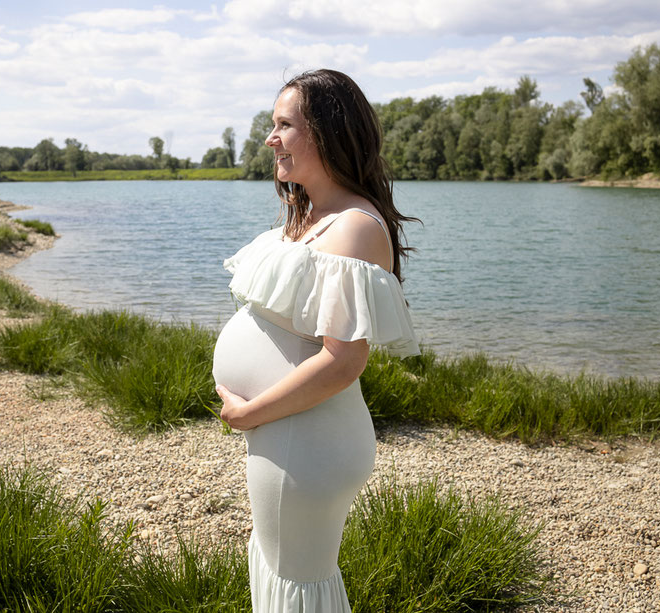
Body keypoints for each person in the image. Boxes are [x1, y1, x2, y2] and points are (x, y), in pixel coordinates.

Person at [211, 69, 421, 613]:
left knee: (299, 588)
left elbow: (344, 360)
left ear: (326, 133)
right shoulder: (312, 215)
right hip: (289, 435)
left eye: (283, 125)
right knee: (281, 573)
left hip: (306, 441)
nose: (270, 138)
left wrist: (251, 413)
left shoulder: (354, 227)